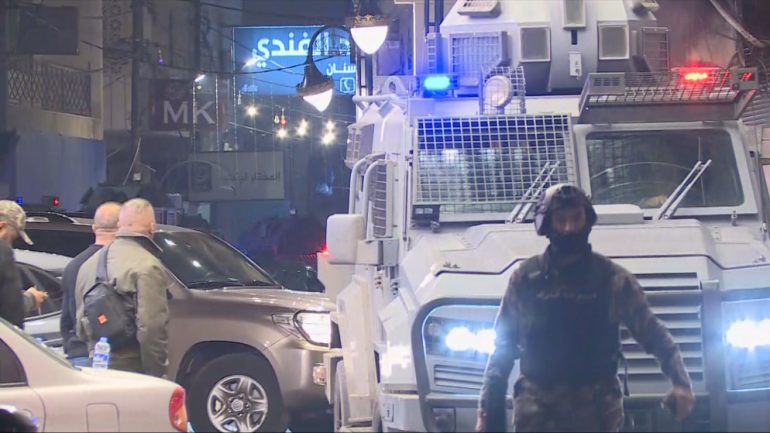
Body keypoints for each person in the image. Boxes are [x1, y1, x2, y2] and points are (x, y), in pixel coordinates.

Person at [476, 184, 695, 432]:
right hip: (538, 409)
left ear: (587, 220)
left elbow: (652, 332)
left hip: (596, 409)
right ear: (547, 224)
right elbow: (502, 348)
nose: (569, 228)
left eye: (575, 218)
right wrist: (486, 412)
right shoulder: (526, 280)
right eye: (561, 220)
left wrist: (681, 382)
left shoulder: (612, 279)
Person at [75, 198, 171, 377]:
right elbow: (151, 329)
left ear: (119, 225)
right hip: (131, 367)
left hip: (95, 365)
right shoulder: (149, 266)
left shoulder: (88, 265)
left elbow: (80, 325)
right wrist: (157, 374)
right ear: (152, 227)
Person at [60, 202, 121, 367]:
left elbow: (66, 320)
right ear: (121, 228)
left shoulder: (73, 266)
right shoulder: (123, 264)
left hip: (78, 353)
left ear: (94, 228)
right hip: (115, 356)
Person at [0, 200, 48, 328]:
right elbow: (10, 310)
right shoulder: (3, 251)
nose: (10, 245)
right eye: (11, 238)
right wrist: (31, 298)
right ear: (1, 226)